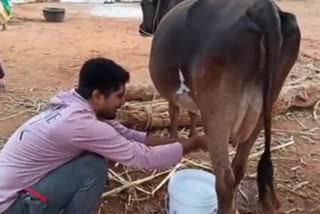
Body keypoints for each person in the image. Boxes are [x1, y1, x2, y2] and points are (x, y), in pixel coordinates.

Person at [0, 57, 208, 214]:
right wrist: (196, 144)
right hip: (10, 206)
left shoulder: (72, 104)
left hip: (10, 194)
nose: (123, 101)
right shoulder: (81, 124)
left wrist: (185, 141)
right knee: (94, 165)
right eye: (119, 95)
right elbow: (143, 157)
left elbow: (131, 136)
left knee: (91, 159)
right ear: (98, 96)